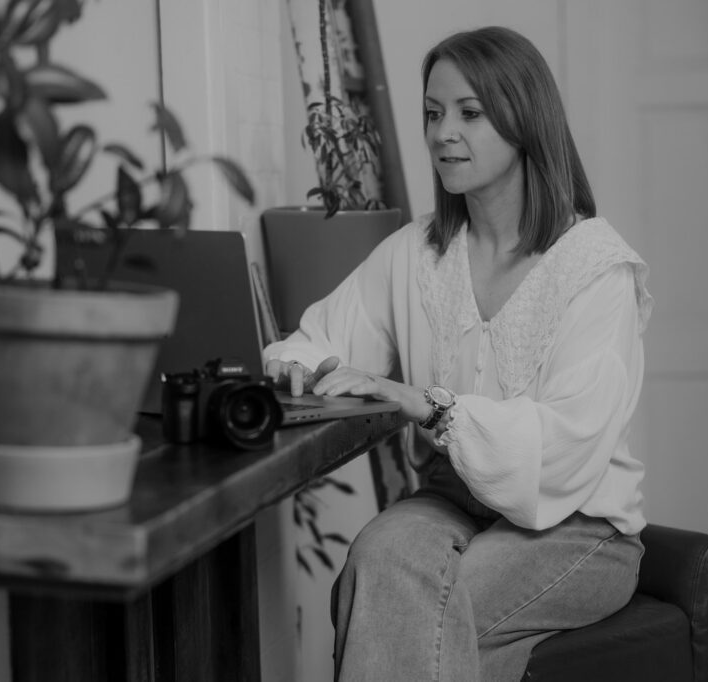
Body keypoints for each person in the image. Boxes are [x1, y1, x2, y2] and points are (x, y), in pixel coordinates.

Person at [263, 25, 653, 682]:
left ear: (524, 121)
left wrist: (432, 406)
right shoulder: (417, 253)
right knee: (377, 560)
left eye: (470, 113)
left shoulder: (594, 267)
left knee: (418, 606)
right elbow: (315, 340)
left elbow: (569, 442)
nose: (443, 133)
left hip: (581, 526)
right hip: (451, 502)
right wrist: (304, 368)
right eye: (432, 113)